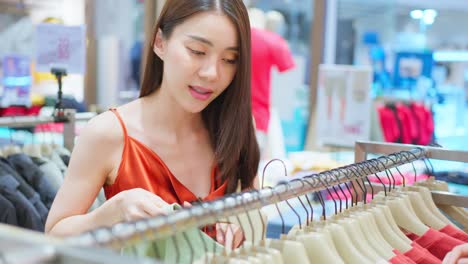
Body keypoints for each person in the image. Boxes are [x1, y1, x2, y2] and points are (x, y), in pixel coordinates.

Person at [45, 0, 260, 247]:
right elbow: (53, 236)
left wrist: (241, 224)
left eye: (230, 59)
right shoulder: (108, 133)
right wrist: (111, 212)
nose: (212, 73)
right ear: (160, 42)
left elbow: (252, 208)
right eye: (197, 51)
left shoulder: (235, 128)